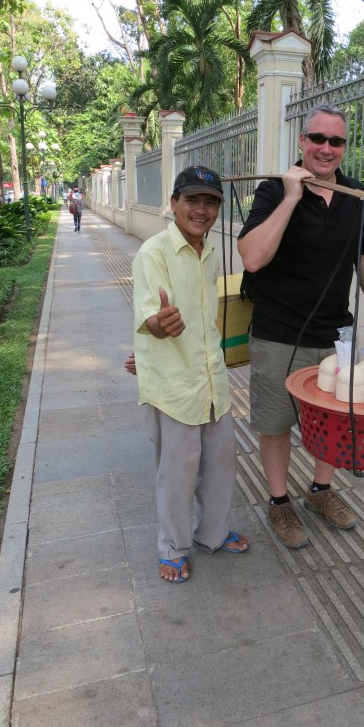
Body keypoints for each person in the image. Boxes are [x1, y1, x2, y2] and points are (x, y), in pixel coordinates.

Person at [237, 104, 364, 549]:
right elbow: (252, 257)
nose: (326, 149)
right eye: (317, 139)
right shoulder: (272, 190)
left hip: (335, 333)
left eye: (336, 141)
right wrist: (290, 197)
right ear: (302, 142)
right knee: (276, 422)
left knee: (335, 421)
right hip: (277, 332)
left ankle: (321, 492)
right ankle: (279, 500)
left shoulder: (356, 197)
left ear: (344, 147)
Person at [132, 166, 249, 584]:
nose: (201, 210)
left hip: (212, 381)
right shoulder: (154, 253)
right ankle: (173, 546)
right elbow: (151, 313)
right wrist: (159, 325)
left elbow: (205, 320)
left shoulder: (210, 252)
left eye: (210, 202)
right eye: (193, 200)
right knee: (178, 472)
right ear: (174, 203)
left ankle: (212, 534)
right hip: (174, 386)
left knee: (220, 464)